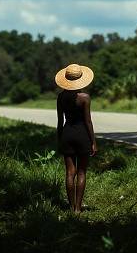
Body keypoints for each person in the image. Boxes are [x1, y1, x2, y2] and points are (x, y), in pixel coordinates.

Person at [55, 63, 97, 214]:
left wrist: (60, 140)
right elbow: (88, 121)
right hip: (82, 136)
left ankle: (71, 206)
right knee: (81, 172)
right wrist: (93, 141)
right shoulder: (85, 98)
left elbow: (60, 122)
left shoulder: (60, 97)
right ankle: (78, 209)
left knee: (69, 173)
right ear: (80, 79)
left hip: (67, 135)